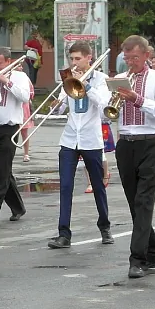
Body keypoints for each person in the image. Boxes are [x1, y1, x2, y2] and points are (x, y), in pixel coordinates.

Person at [112, 35, 155, 278]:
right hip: (125, 143)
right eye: (127, 58)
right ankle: (153, 254)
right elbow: (108, 115)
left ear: (147, 55)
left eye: (135, 58)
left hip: (149, 142)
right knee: (134, 201)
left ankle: (137, 259)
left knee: (144, 201)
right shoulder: (120, 79)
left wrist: (136, 99)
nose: (131, 63)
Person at [48, 40, 113, 249]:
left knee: (97, 185)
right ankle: (63, 233)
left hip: (91, 139)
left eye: (78, 59)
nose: (74, 63)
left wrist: (86, 85)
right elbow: (60, 108)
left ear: (88, 58)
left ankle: (105, 227)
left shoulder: (102, 79)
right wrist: (56, 104)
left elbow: (104, 103)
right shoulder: (69, 77)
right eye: (72, 59)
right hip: (69, 139)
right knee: (66, 186)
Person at [0, 47, 31, 225]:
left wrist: (6, 81)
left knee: (1, 171)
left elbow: (25, 97)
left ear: (9, 62)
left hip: (10, 129)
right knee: (3, 171)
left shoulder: (20, 77)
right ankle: (18, 207)